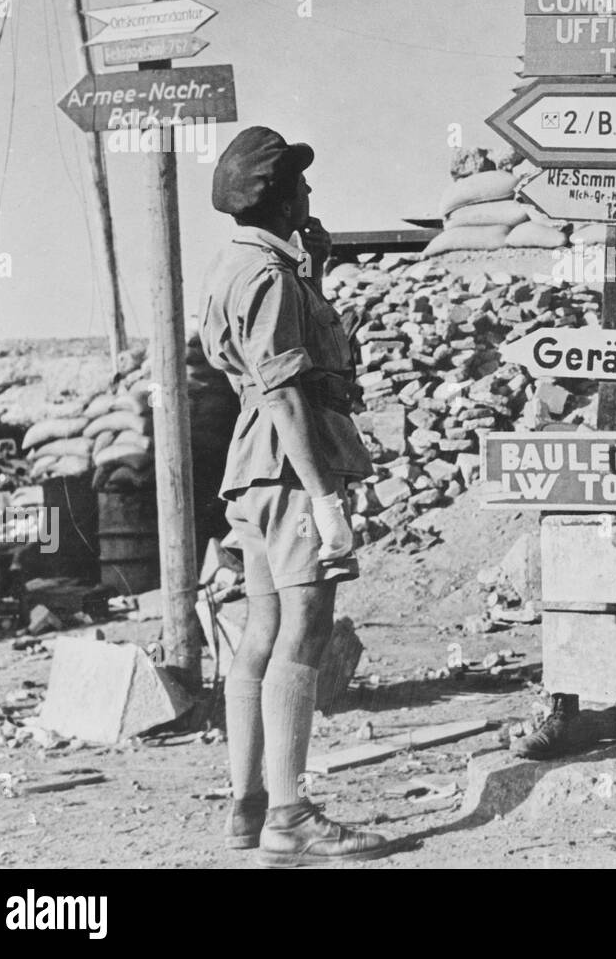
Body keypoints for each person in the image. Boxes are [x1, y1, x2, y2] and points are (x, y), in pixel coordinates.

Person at [200, 126, 390, 866]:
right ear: (281, 199)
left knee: (262, 630)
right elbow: (283, 390)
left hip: (255, 466)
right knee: (305, 630)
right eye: (299, 184)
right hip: (290, 464)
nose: (309, 191)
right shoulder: (271, 277)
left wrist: (317, 270)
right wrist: (325, 500)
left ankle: (247, 807)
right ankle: (290, 817)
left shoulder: (241, 265)